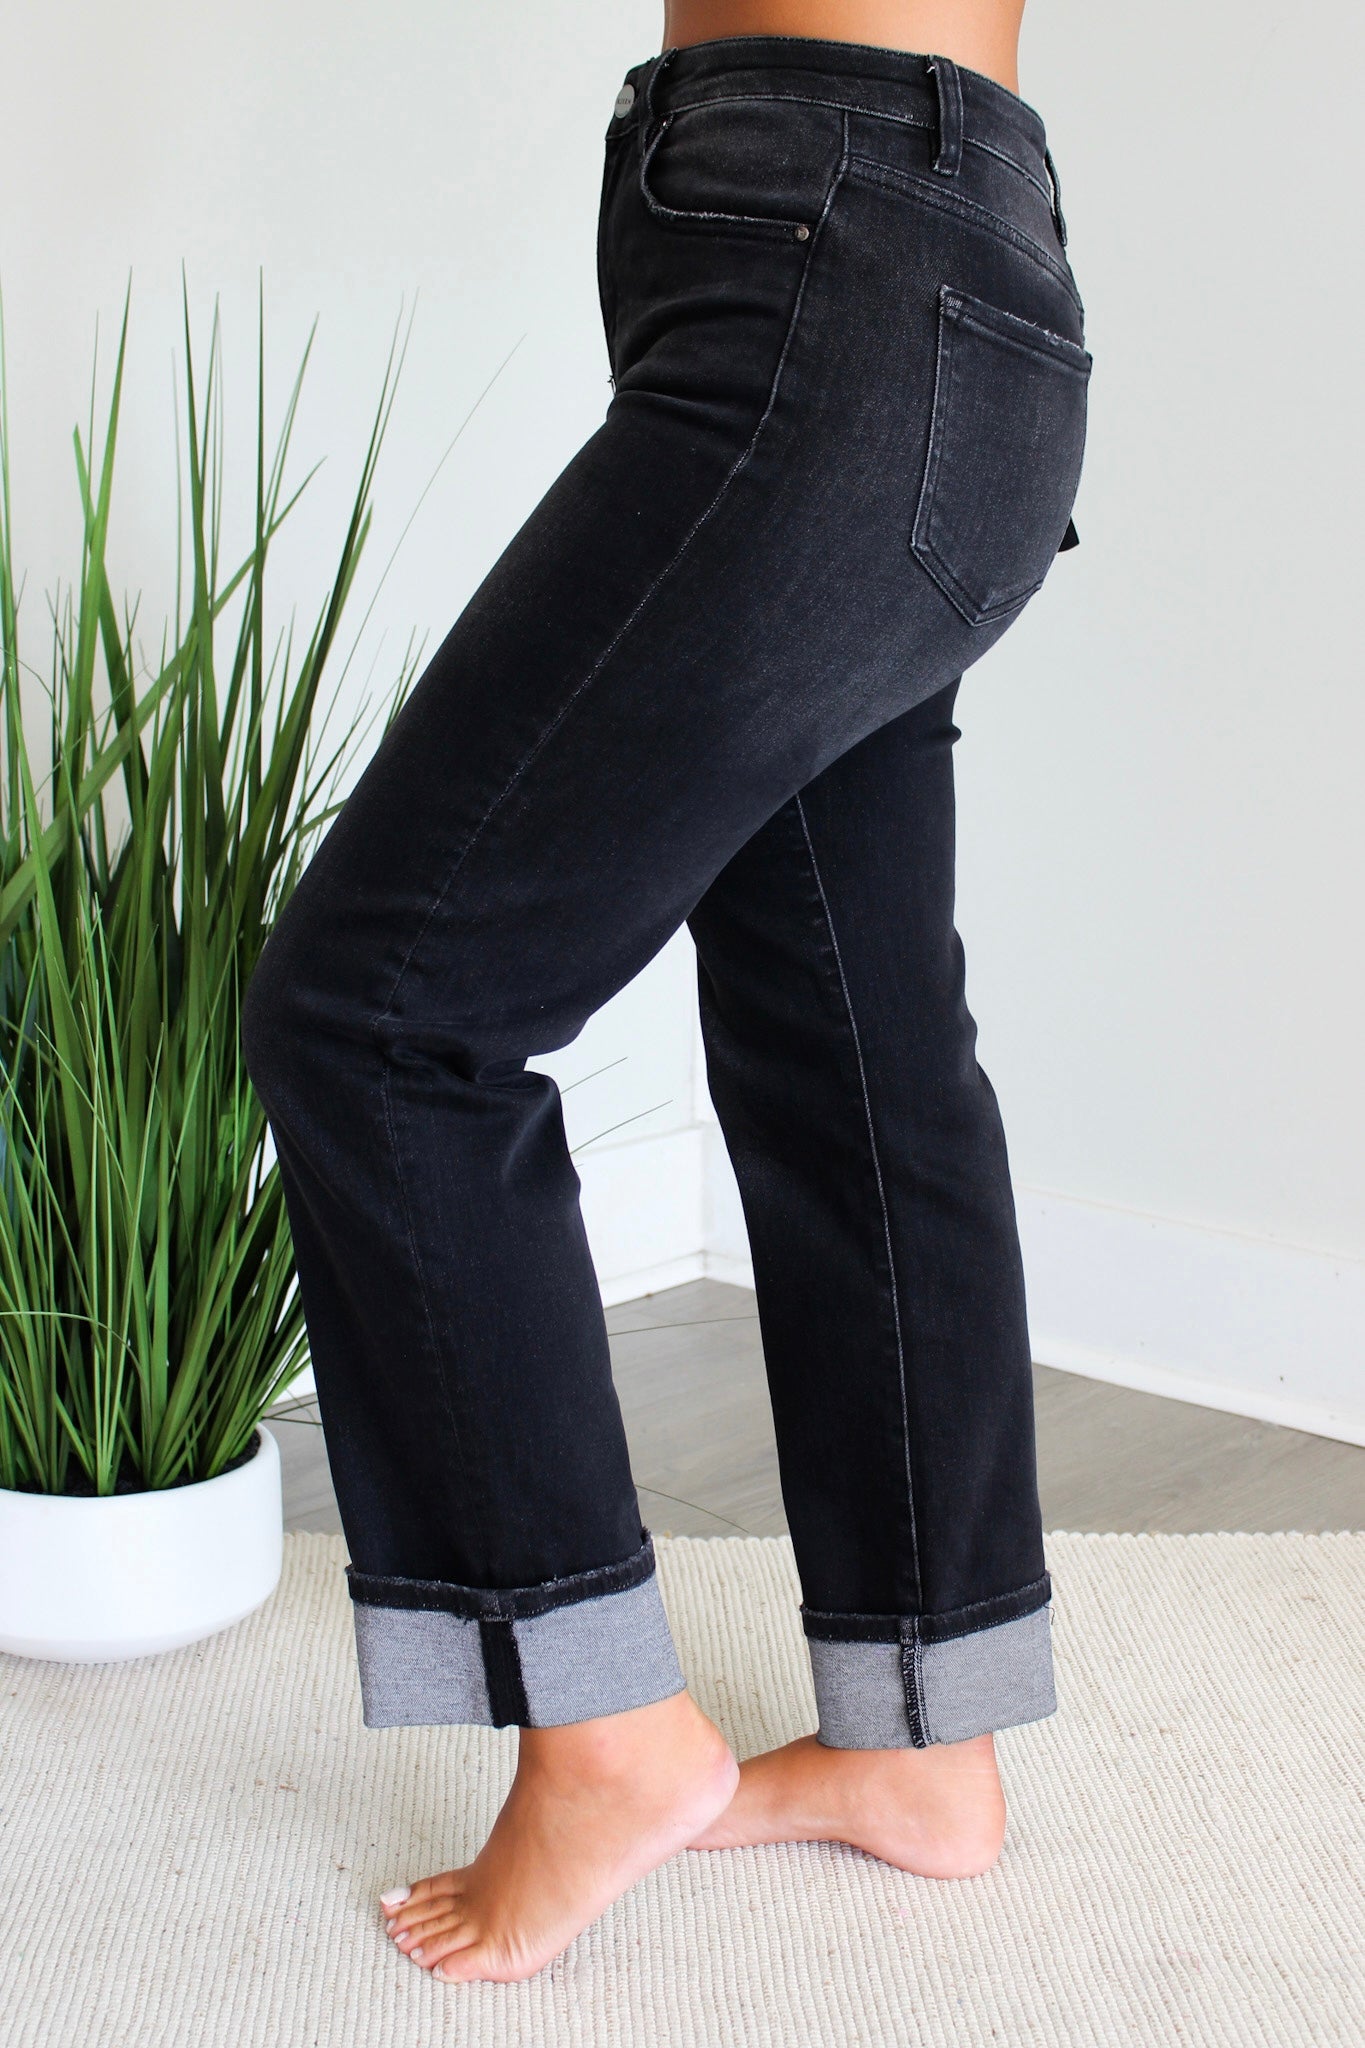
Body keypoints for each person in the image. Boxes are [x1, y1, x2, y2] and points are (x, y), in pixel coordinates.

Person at [242, 0, 1089, 1987]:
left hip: (827, 258)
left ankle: (599, 1726)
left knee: (380, 1015)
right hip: (958, 274)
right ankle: (920, 1741)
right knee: (853, 1049)